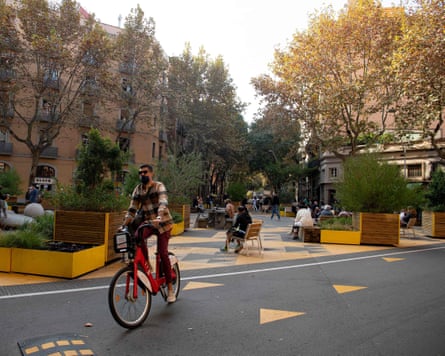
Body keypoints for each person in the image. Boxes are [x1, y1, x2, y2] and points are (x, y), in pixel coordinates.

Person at [121, 164, 176, 303]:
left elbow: (163, 202)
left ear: (151, 173)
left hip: (163, 223)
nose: (142, 175)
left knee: (163, 253)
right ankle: (146, 265)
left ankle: (170, 289)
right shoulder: (138, 190)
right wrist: (123, 225)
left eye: (145, 172)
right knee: (137, 237)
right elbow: (132, 209)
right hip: (149, 223)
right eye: (140, 173)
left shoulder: (158, 186)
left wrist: (159, 216)